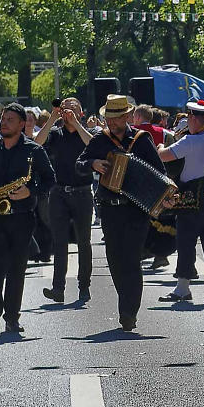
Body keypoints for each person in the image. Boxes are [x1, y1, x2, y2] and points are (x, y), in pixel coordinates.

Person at [0, 102, 53, 336]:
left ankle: (12, 318)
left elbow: (49, 179)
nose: (4, 123)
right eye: (3, 119)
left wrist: (30, 191)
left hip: (22, 217)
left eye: (10, 120)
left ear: (22, 124)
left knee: (17, 269)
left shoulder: (33, 150)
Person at [79, 95, 164, 332]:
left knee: (131, 259)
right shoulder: (100, 139)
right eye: (108, 118)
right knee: (115, 260)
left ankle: (128, 312)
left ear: (127, 116)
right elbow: (79, 164)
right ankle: (126, 302)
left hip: (136, 210)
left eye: (116, 118)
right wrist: (93, 164)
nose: (111, 122)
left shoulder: (141, 140)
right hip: (109, 209)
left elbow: (159, 171)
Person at [158, 100, 204, 305]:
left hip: (192, 200)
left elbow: (164, 156)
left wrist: (161, 144)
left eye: (189, 117)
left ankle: (182, 288)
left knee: (186, 242)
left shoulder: (189, 141)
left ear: (193, 119)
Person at [36, 97, 94, 305]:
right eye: (66, 108)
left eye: (73, 108)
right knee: (59, 242)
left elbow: (94, 145)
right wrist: (53, 117)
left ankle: (84, 287)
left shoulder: (86, 132)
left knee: (83, 242)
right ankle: (58, 288)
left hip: (82, 192)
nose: (69, 111)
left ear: (81, 113)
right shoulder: (55, 134)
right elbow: (36, 143)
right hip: (59, 192)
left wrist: (76, 123)